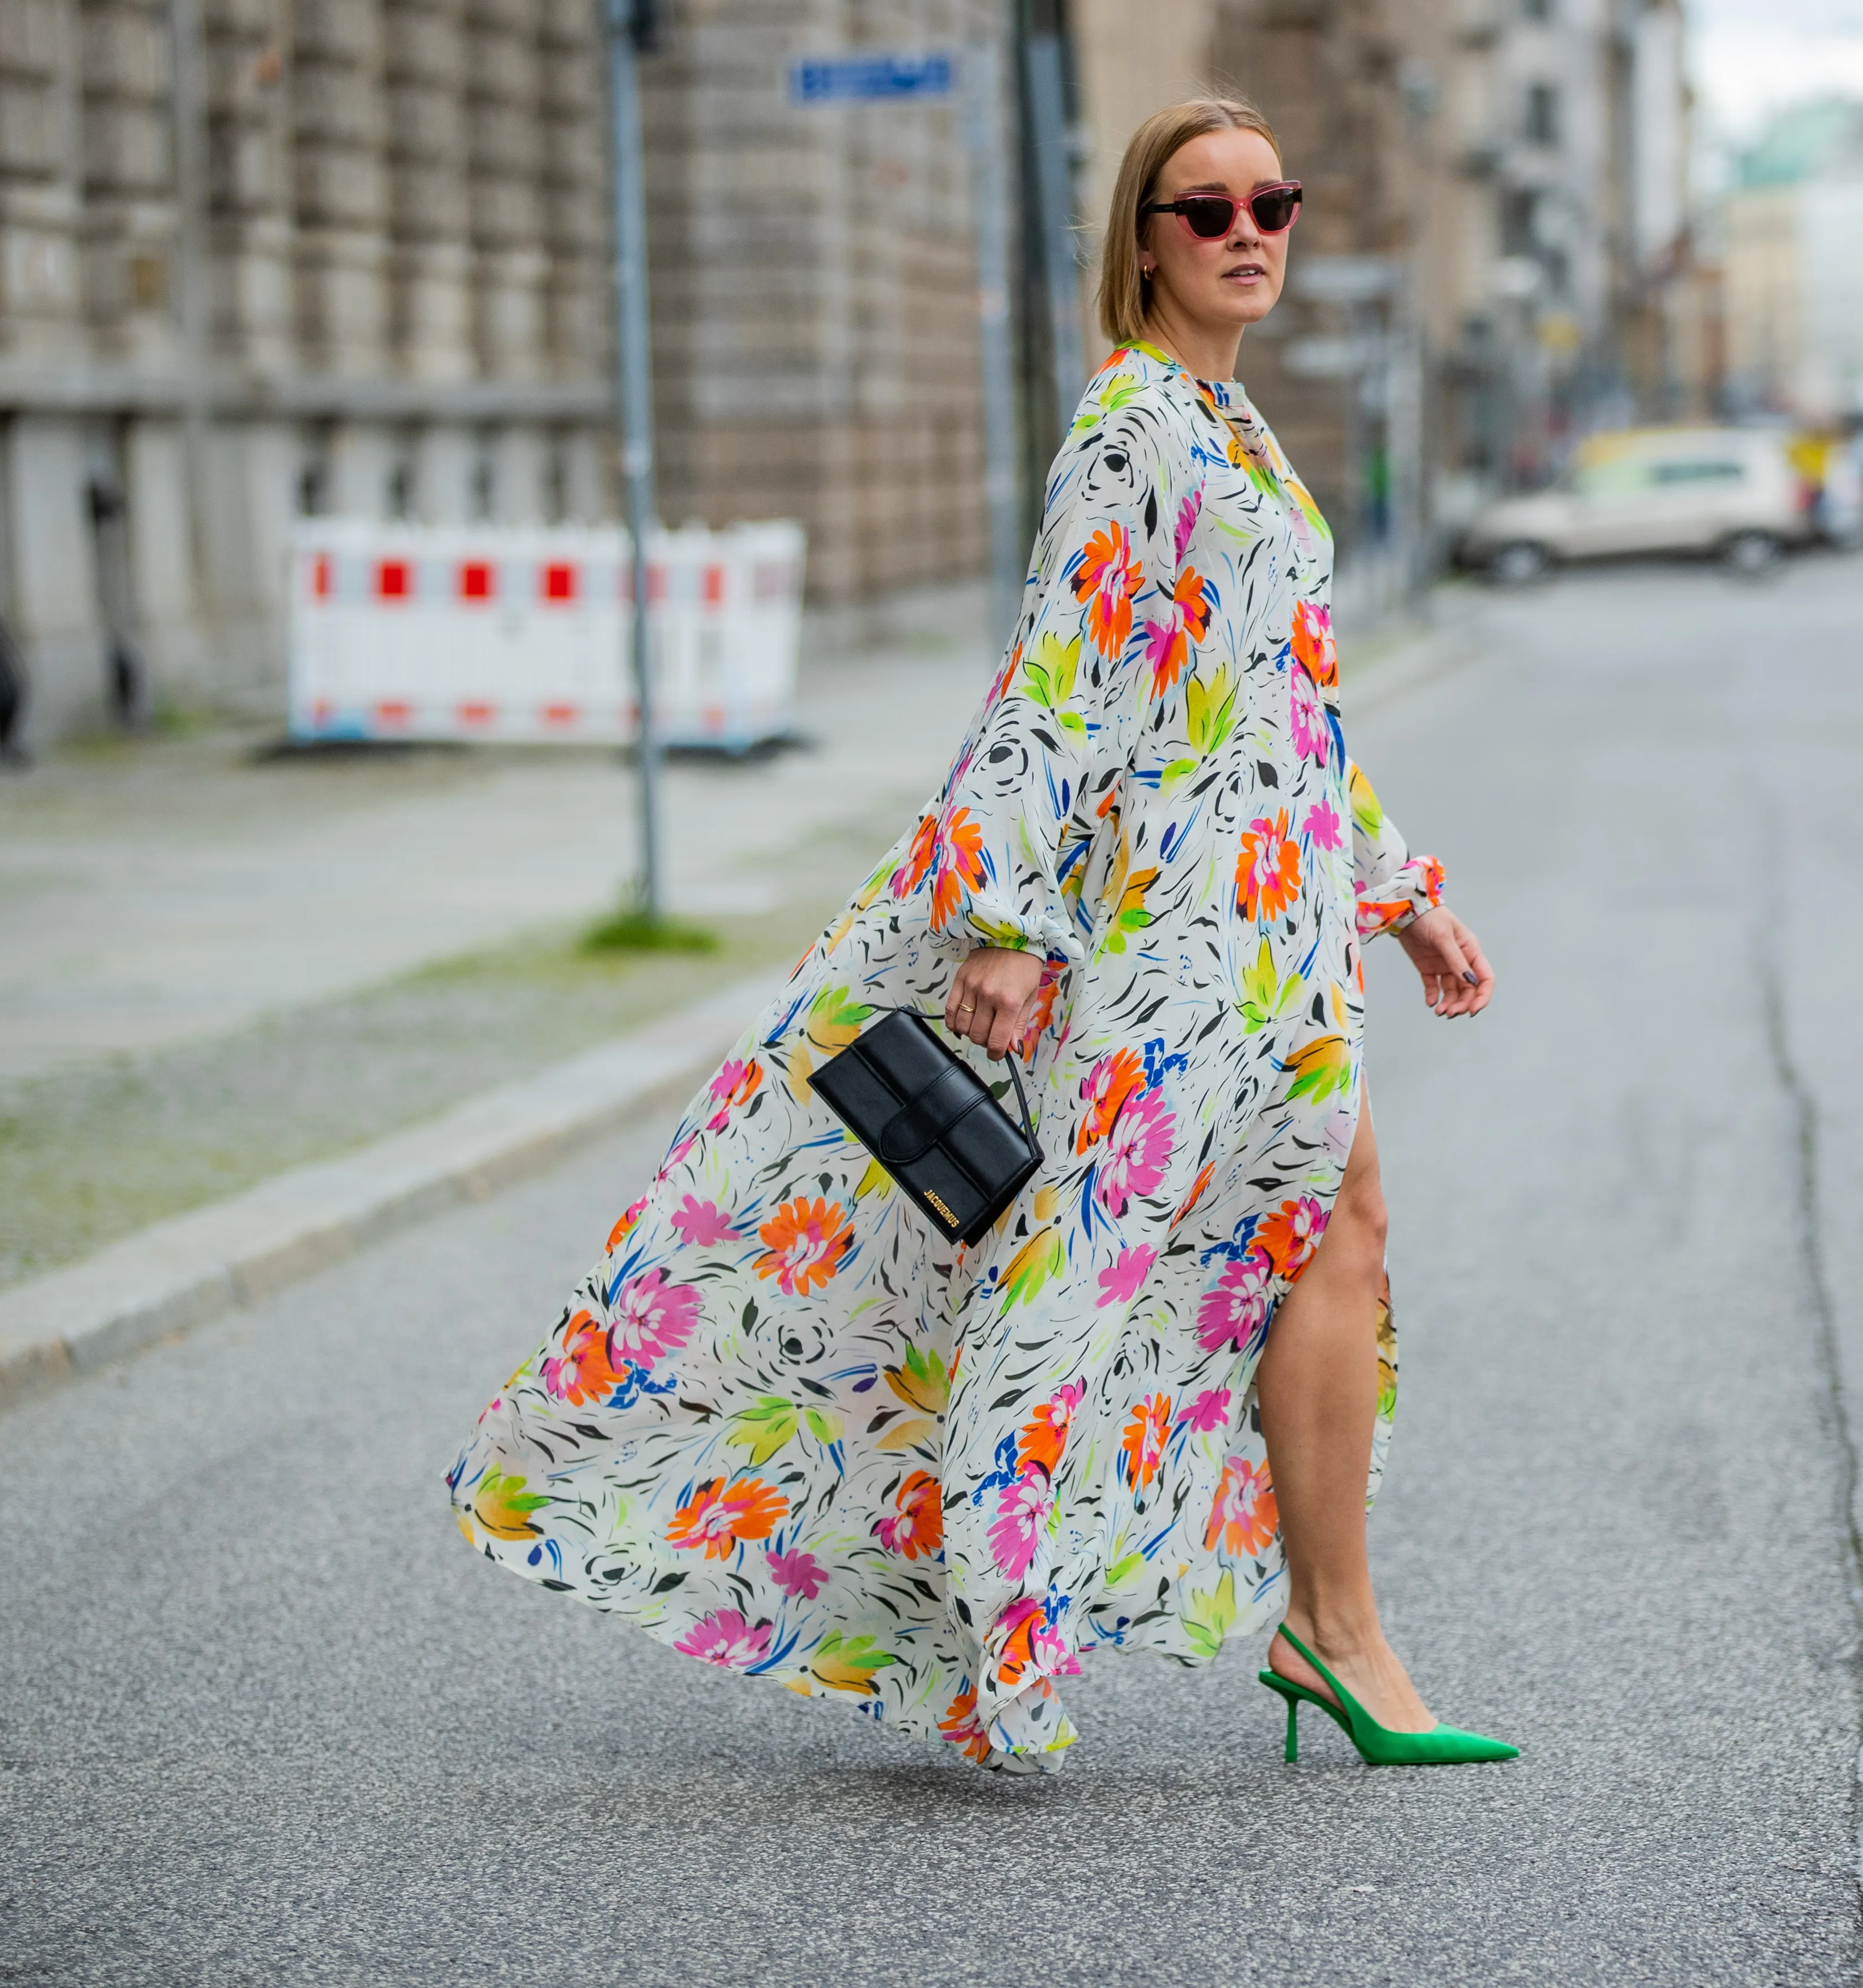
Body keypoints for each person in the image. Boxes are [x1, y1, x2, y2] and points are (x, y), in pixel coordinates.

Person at [447, 94, 1507, 1772]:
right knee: (1077, 1278)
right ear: (1140, 242)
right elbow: (1057, 684)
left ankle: (1331, 1628)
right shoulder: (1132, 428)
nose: (1247, 233)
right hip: (1170, 940)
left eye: (1270, 204)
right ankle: (1069, 1620)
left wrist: (1401, 899)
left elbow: (1281, 714)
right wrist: (1004, 920)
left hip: (1272, 927)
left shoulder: (1237, 432)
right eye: (1204, 209)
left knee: (1338, 1228)